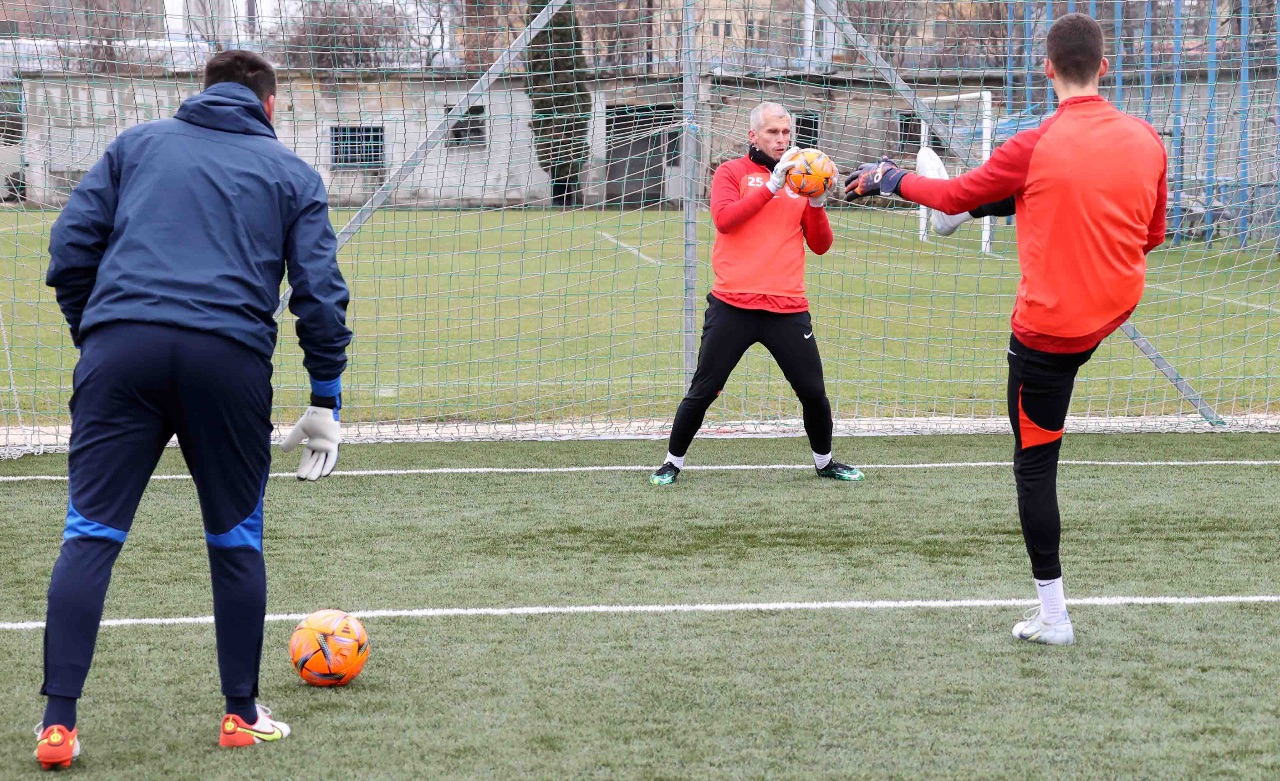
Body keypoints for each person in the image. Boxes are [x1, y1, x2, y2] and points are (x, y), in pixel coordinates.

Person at [36, 50, 351, 769]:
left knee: (90, 534)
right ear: (270, 106)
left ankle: (57, 725)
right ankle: (240, 714)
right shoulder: (293, 174)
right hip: (227, 362)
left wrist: (101, 334)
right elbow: (320, 295)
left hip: (120, 354)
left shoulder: (135, 146)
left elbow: (69, 247)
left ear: (200, 94)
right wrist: (325, 396)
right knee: (235, 539)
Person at [847, 13, 1167, 645]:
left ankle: (1054, 617)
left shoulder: (1031, 143)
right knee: (1028, 191)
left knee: (1035, 464)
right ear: (1105, 68)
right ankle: (981, 213)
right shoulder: (1148, 139)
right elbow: (1151, 236)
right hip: (1112, 310)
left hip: (1049, 333)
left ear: (1047, 69)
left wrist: (890, 178)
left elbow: (950, 194)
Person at [650, 102, 864, 486]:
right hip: (733, 305)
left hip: (787, 307)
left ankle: (825, 462)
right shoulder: (731, 172)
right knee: (704, 390)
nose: (781, 140)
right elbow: (725, 220)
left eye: (786, 132)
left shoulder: (802, 179)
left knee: (813, 393)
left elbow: (820, 245)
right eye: (772, 132)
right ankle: (671, 463)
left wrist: (817, 203)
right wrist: (771, 186)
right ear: (753, 135)